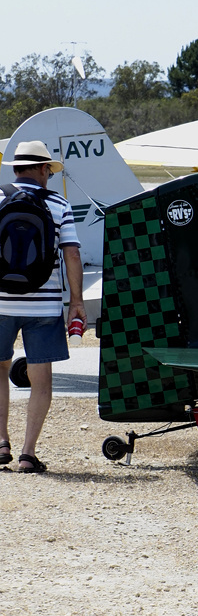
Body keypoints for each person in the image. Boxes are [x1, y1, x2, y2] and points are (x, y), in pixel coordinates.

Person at [0, 140, 85, 473]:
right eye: (48, 169)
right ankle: (27, 454)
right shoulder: (59, 204)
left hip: (0, 303)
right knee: (41, 379)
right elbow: (73, 254)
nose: (49, 174)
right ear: (38, 169)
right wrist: (76, 302)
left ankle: (1, 443)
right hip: (44, 307)